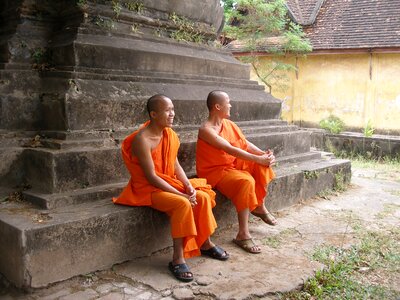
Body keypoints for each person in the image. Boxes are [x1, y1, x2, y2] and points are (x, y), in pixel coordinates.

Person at [113, 94, 228, 282]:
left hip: (169, 182)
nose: (172, 114)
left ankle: (205, 243)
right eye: (168, 110)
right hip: (148, 189)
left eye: (173, 109)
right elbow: (151, 177)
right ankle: (177, 259)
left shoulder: (169, 134)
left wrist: (188, 186)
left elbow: (175, 165)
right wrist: (180, 193)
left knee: (203, 197)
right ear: (153, 114)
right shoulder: (143, 139)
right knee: (182, 204)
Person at [196, 90, 276, 254]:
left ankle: (259, 206)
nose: (230, 105)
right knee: (246, 181)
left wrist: (263, 155)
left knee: (262, 165)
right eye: (228, 102)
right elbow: (229, 148)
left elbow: (244, 143)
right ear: (217, 106)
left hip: (232, 164)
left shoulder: (229, 124)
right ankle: (243, 234)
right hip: (216, 171)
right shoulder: (206, 130)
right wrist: (257, 158)